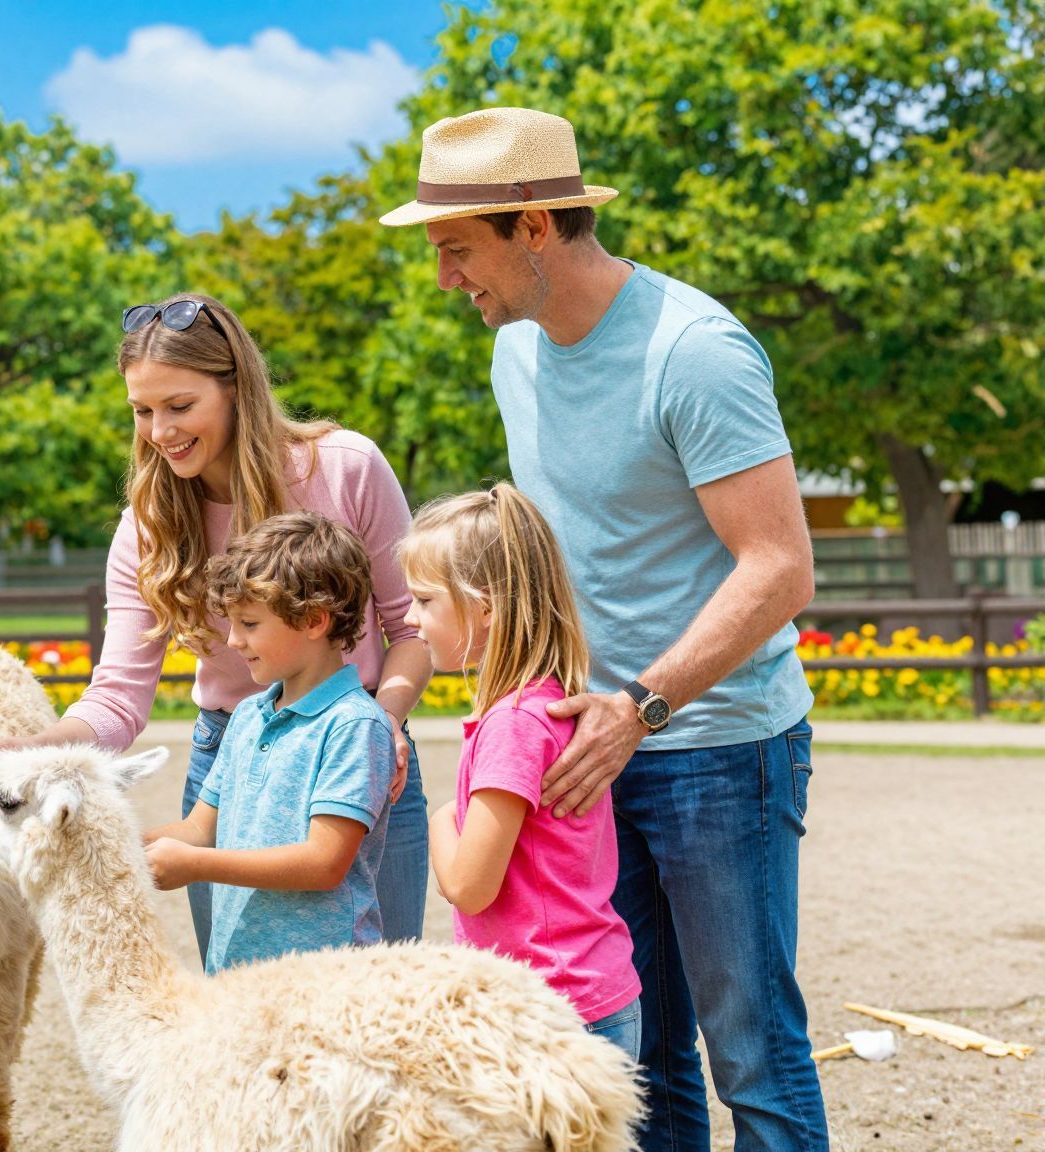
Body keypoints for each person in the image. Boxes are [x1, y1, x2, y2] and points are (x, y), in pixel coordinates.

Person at [381, 107, 823, 1149]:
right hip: (581, 749)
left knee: (748, 1047)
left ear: (533, 226)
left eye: (456, 249)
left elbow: (779, 566)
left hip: (717, 744)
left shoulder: (693, 351)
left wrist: (640, 704)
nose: (445, 277)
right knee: (635, 1053)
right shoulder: (514, 354)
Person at [0, 293, 433, 961]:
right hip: (232, 758)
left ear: (236, 387)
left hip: (352, 747)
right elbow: (118, 696)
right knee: (242, 1005)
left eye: (179, 407)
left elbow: (409, 627)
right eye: (142, 411)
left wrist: (384, 719)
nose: (159, 431)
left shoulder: (345, 468)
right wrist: (33, 751)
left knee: (384, 998)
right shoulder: (150, 524)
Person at [399, 483, 641, 1059]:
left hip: (548, 1012)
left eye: (425, 601)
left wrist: (440, 817)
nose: (410, 618)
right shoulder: (547, 703)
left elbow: (467, 887)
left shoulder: (513, 726)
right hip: (588, 996)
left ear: (484, 607)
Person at [141, 512, 394, 973]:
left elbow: (323, 863)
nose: (234, 641)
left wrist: (198, 866)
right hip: (242, 981)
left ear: (314, 620)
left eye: (249, 623)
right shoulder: (246, 717)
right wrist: (112, 847)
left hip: (326, 982)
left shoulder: (354, 725)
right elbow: (199, 830)